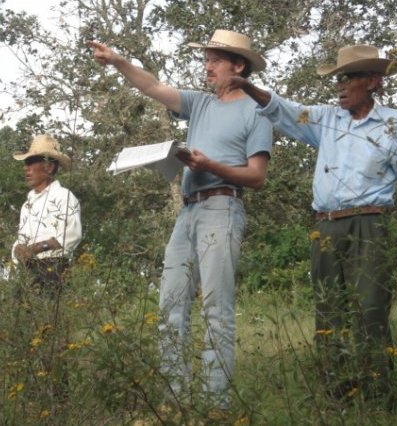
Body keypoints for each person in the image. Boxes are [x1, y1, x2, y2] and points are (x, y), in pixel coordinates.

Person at [223, 45, 397, 407]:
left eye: (349, 79)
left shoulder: (393, 122)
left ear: (373, 82)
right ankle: (338, 394)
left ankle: (379, 397)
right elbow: (283, 109)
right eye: (339, 80)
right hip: (326, 228)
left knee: (371, 307)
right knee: (329, 308)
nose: (341, 87)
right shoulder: (325, 119)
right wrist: (248, 87)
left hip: (371, 224)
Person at [88, 30, 273, 412]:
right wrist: (119, 61)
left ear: (238, 66)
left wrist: (211, 166)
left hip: (223, 208)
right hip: (187, 211)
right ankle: (175, 400)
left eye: (214, 60)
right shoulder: (201, 104)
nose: (206, 67)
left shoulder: (257, 112)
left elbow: (257, 177)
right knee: (170, 306)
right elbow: (153, 86)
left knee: (216, 309)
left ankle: (215, 405)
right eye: (205, 59)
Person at [12, 134, 82, 294]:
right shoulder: (27, 204)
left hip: (54, 271)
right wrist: (19, 250)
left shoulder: (64, 196)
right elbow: (21, 237)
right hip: (27, 273)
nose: (26, 168)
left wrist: (37, 248)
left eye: (30, 162)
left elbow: (71, 236)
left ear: (49, 167)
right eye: (25, 163)